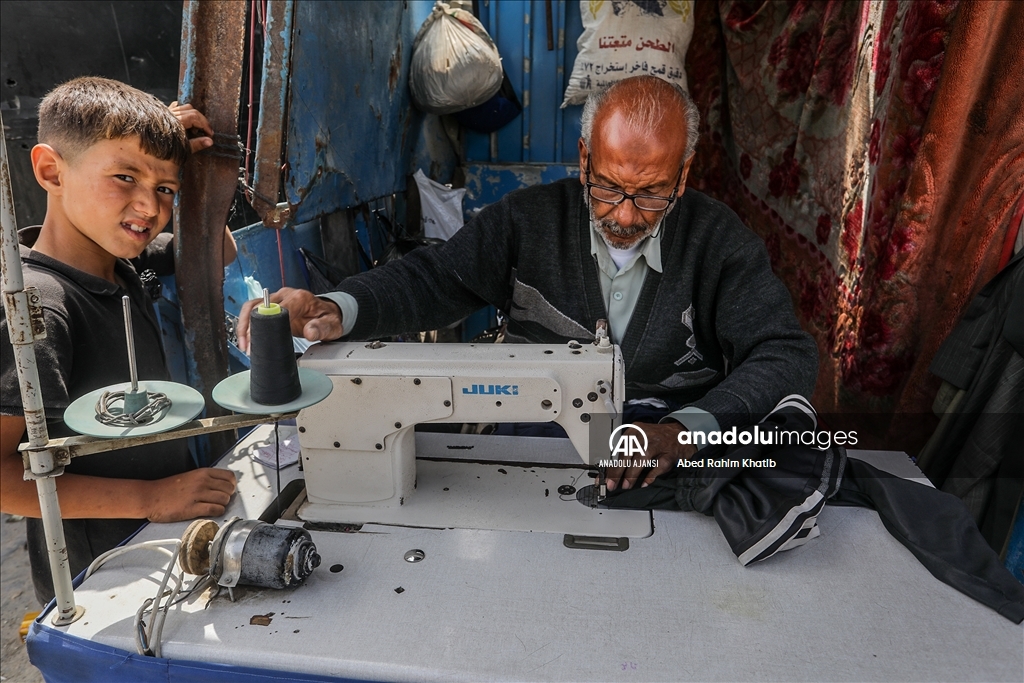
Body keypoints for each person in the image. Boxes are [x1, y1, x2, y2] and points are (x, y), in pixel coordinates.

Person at [237, 75, 818, 493]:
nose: (625, 215)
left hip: (661, 451)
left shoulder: (720, 242)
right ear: (584, 159)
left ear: (685, 173)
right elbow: (437, 278)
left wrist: (687, 431)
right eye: (610, 187)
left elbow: (783, 354)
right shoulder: (526, 220)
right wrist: (340, 307)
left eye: (652, 193)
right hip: (534, 437)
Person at [0, 77, 237, 605]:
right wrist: (151, 498)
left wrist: (192, 180)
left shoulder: (117, 262)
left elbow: (216, 255)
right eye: (124, 177)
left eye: (163, 190)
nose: (149, 208)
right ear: (50, 170)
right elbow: (2, 475)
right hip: (98, 575)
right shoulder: (36, 305)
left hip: (154, 537)